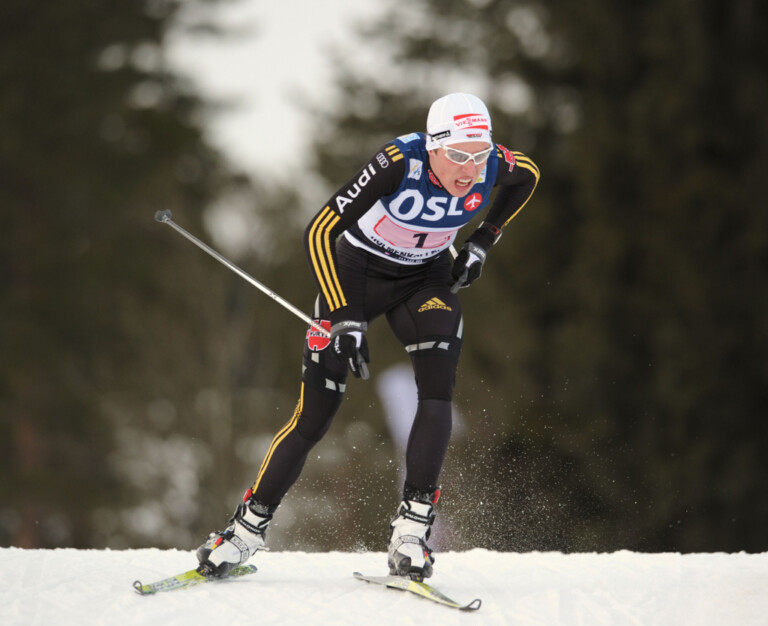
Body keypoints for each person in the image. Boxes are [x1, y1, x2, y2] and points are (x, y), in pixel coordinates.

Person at [195, 93, 540, 581]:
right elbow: (319, 231)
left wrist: (482, 241)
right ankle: (244, 532)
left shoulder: (493, 165)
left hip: (425, 280)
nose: (469, 169)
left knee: (437, 392)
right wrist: (343, 318)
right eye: (458, 155)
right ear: (433, 146)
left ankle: (411, 532)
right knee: (313, 419)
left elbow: (528, 177)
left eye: (479, 153)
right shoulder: (399, 162)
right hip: (355, 279)